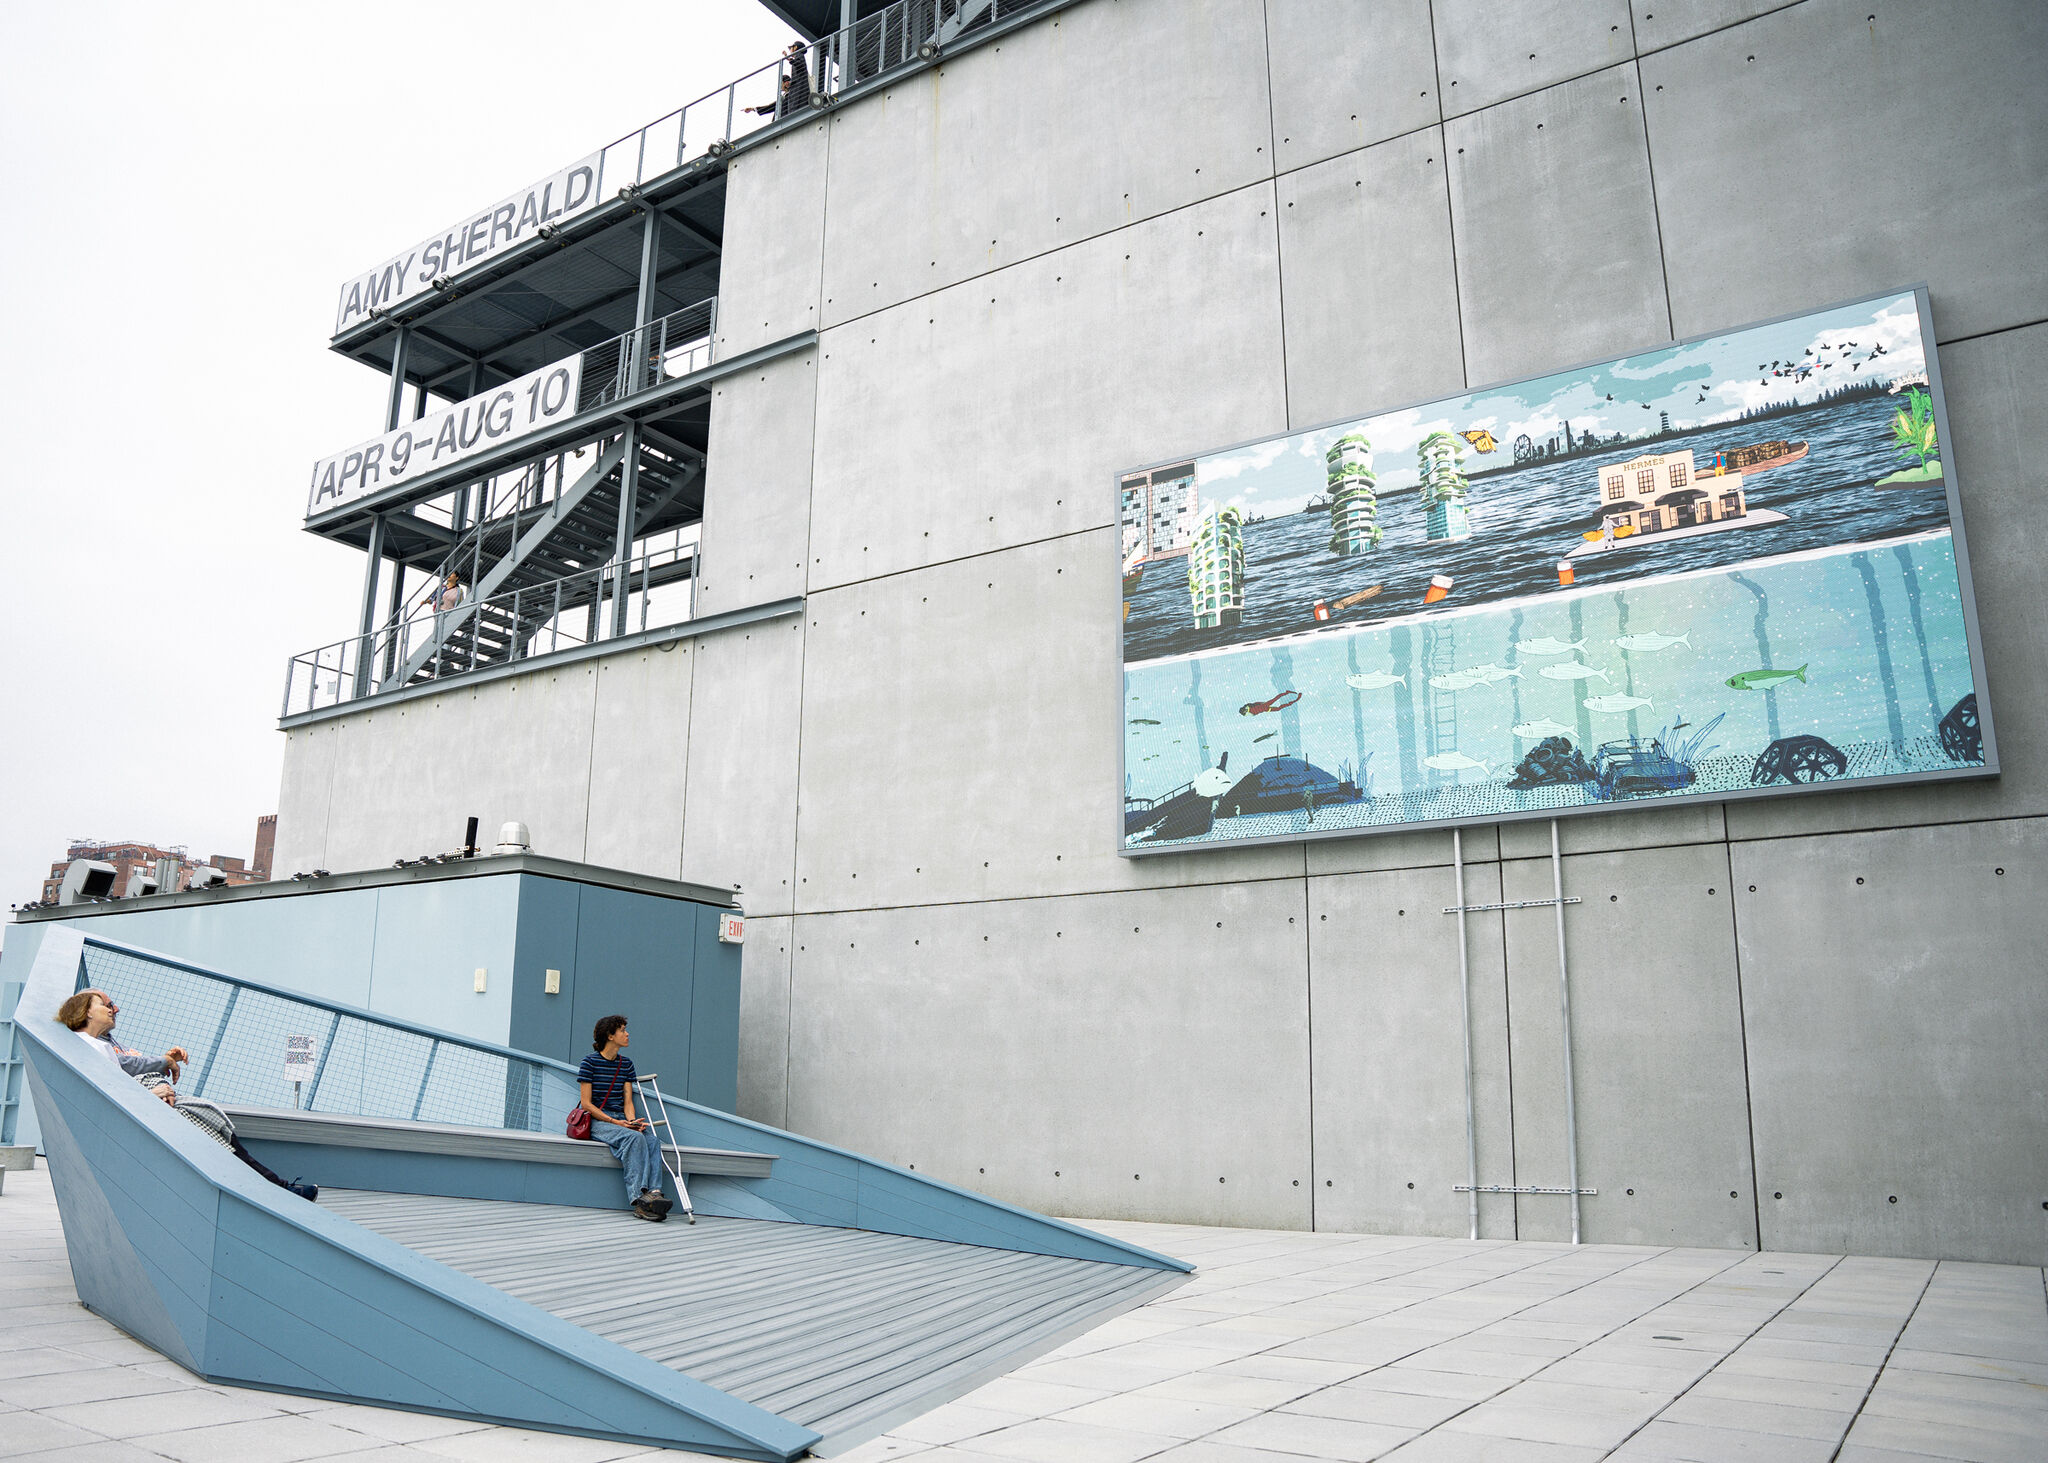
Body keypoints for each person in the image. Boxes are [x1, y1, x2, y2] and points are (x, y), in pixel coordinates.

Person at [56, 989, 317, 1202]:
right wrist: (151, 1093)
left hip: (149, 1103)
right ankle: (277, 1191)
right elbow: (108, 1094)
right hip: (143, 1112)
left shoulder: (101, 1045)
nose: (113, 1010)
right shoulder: (91, 1047)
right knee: (212, 1129)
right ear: (87, 1011)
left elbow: (121, 1078)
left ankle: (277, 1189)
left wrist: (160, 1075)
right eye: (105, 1005)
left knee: (216, 1128)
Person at [578, 1015, 670, 1221]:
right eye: (622, 1030)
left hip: (621, 1119)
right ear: (610, 1036)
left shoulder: (626, 1064)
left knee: (652, 1140)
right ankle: (639, 1201)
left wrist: (632, 1122)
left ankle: (654, 1193)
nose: (627, 1034)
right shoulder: (589, 1063)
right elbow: (586, 1104)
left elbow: (628, 1101)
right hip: (599, 1121)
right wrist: (615, 1122)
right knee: (634, 1138)